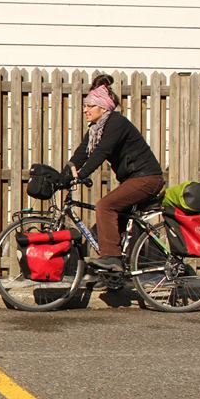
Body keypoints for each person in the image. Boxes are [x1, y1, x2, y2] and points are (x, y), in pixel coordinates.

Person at [66, 74, 164, 271]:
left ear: (103, 107)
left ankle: (112, 258)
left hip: (146, 178)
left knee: (105, 207)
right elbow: (81, 153)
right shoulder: (96, 129)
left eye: (89, 106)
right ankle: (112, 277)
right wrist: (64, 174)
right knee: (107, 228)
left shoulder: (116, 123)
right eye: (85, 106)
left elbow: (102, 151)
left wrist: (82, 175)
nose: (85, 110)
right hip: (134, 179)